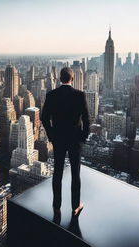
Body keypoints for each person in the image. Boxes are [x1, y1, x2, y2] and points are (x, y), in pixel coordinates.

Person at [41, 67, 90, 216]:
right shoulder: (80, 95)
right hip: (75, 140)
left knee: (58, 173)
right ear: (72, 79)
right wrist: (83, 137)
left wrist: (52, 135)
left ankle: (57, 206)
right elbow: (87, 119)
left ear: (59, 79)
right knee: (76, 173)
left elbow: (44, 118)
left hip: (59, 140)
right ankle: (75, 207)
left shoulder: (51, 95)